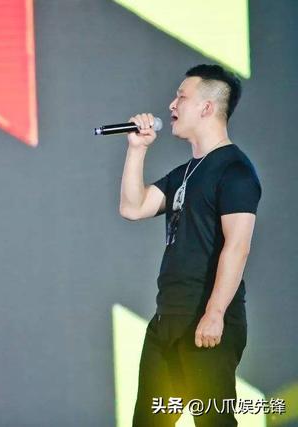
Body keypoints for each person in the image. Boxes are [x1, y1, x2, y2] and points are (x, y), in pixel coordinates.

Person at [119, 65, 261, 426]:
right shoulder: (186, 172)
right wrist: (137, 149)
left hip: (207, 322)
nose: (171, 105)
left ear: (207, 107)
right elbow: (133, 207)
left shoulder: (235, 171)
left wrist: (214, 314)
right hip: (167, 320)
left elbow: (237, 246)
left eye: (181, 97)